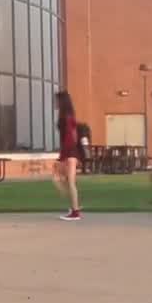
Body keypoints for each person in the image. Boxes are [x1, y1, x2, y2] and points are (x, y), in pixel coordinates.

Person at [53, 90, 83, 221]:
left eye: (57, 100)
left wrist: (62, 158)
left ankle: (75, 211)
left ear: (62, 101)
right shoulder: (68, 116)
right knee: (64, 180)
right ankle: (74, 206)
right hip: (70, 153)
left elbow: (69, 138)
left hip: (69, 153)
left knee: (65, 181)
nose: (55, 103)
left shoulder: (67, 118)